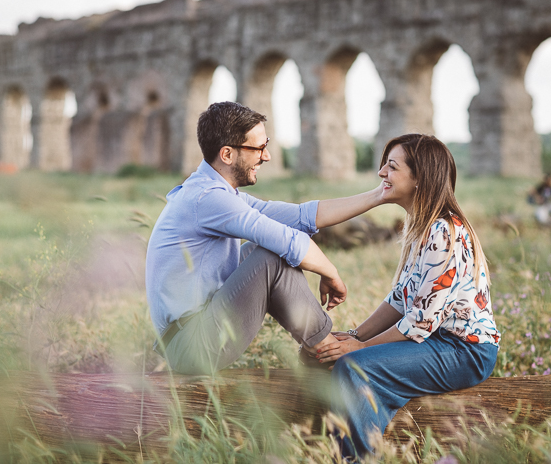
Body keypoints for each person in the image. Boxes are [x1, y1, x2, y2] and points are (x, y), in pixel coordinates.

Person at [145, 101, 384, 375]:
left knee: (261, 249)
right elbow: (288, 241)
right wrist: (332, 273)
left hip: (193, 337)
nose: (267, 156)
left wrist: (378, 196)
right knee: (270, 254)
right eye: (258, 148)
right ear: (227, 154)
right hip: (192, 347)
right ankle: (326, 350)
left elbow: (301, 216)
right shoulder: (208, 198)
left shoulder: (215, 192)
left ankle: (318, 349)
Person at [315, 134, 501, 460]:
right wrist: (356, 335)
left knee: (355, 368)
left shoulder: (445, 231)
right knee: (348, 360)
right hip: (435, 342)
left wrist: (359, 348)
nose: (381, 173)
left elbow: (420, 321)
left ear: (418, 178)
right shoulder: (422, 228)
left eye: (391, 166)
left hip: (464, 349)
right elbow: (400, 300)